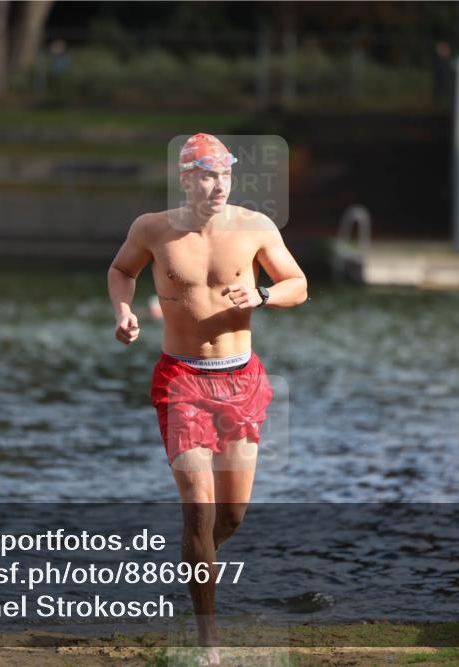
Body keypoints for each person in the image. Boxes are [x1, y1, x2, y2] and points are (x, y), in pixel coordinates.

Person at [108, 134, 307, 662]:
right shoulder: (152, 229)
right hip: (181, 381)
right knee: (198, 510)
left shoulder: (255, 228)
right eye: (207, 176)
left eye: (224, 175)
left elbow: (298, 283)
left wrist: (263, 295)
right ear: (186, 179)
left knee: (231, 515)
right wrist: (123, 313)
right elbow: (121, 271)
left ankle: (197, 565)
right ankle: (208, 643)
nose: (218, 186)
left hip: (241, 380)